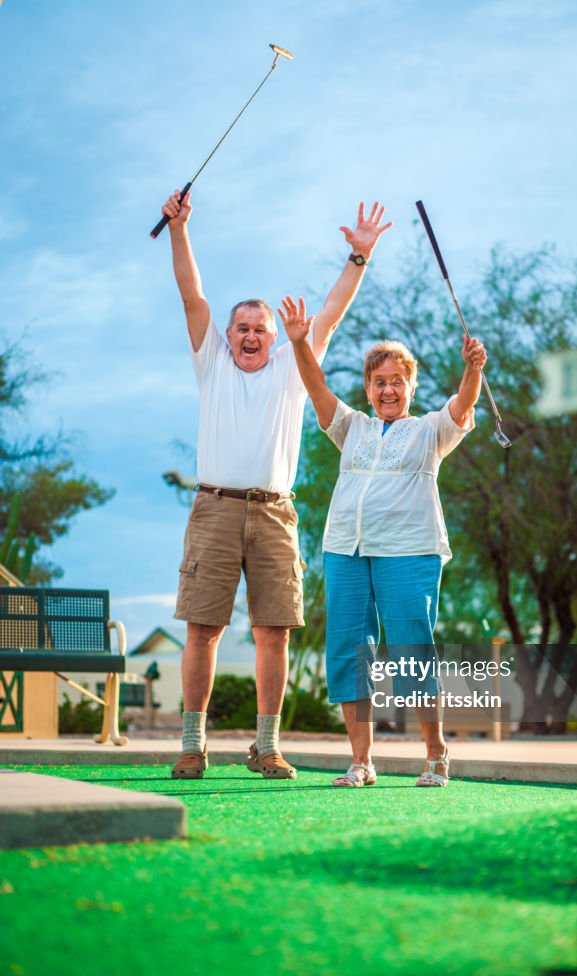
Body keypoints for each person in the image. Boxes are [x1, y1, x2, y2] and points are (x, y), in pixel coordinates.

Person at [162, 191, 392, 780]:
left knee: (273, 632)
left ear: (272, 335)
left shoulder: (294, 365)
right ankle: (194, 745)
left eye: (259, 329)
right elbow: (193, 295)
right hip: (214, 509)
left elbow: (333, 312)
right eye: (240, 328)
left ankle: (266, 746)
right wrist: (179, 227)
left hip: (274, 513)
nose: (248, 336)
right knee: (203, 630)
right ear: (228, 334)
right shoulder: (210, 361)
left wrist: (358, 257)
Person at [278, 295, 487, 787]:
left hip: (409, 551)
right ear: (368, 390)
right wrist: (299, 342)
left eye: (397, 380)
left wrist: (472, 368)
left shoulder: (430, 429)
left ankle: (435, 755)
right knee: (350, 650)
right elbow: (315, 387)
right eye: (379, 382)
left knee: (412, 647)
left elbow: (464, 404)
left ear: (411, 386)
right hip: (345, 550)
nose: (388, 389)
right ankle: (361, 762)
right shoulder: (352, 427)